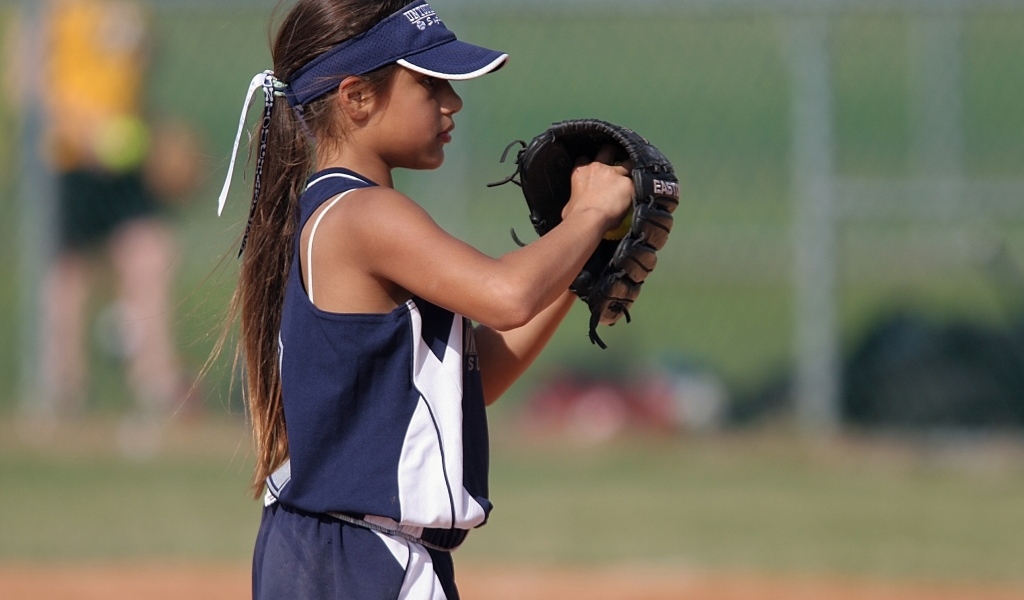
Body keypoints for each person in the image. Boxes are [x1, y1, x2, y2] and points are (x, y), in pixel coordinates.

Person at [215, 1, 633, 598]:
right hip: (355, 560)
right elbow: (507, 295)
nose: (452, 102)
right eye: (430, 83)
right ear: (356, 96)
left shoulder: (345, 209)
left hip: (361, 555)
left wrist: (577, 267)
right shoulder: (362, 214)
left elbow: (469, 380)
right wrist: (587, 216)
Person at [28, 0, 195, 429]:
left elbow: (138, 69)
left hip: (123, 156)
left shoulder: (125, 7)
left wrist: (148, 129)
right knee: (68, 276)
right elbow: (26, 80)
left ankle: (156, 383)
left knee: (150, 254)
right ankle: (62, 388)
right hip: (66, 160)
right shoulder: (51, 10)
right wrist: (83, 129)